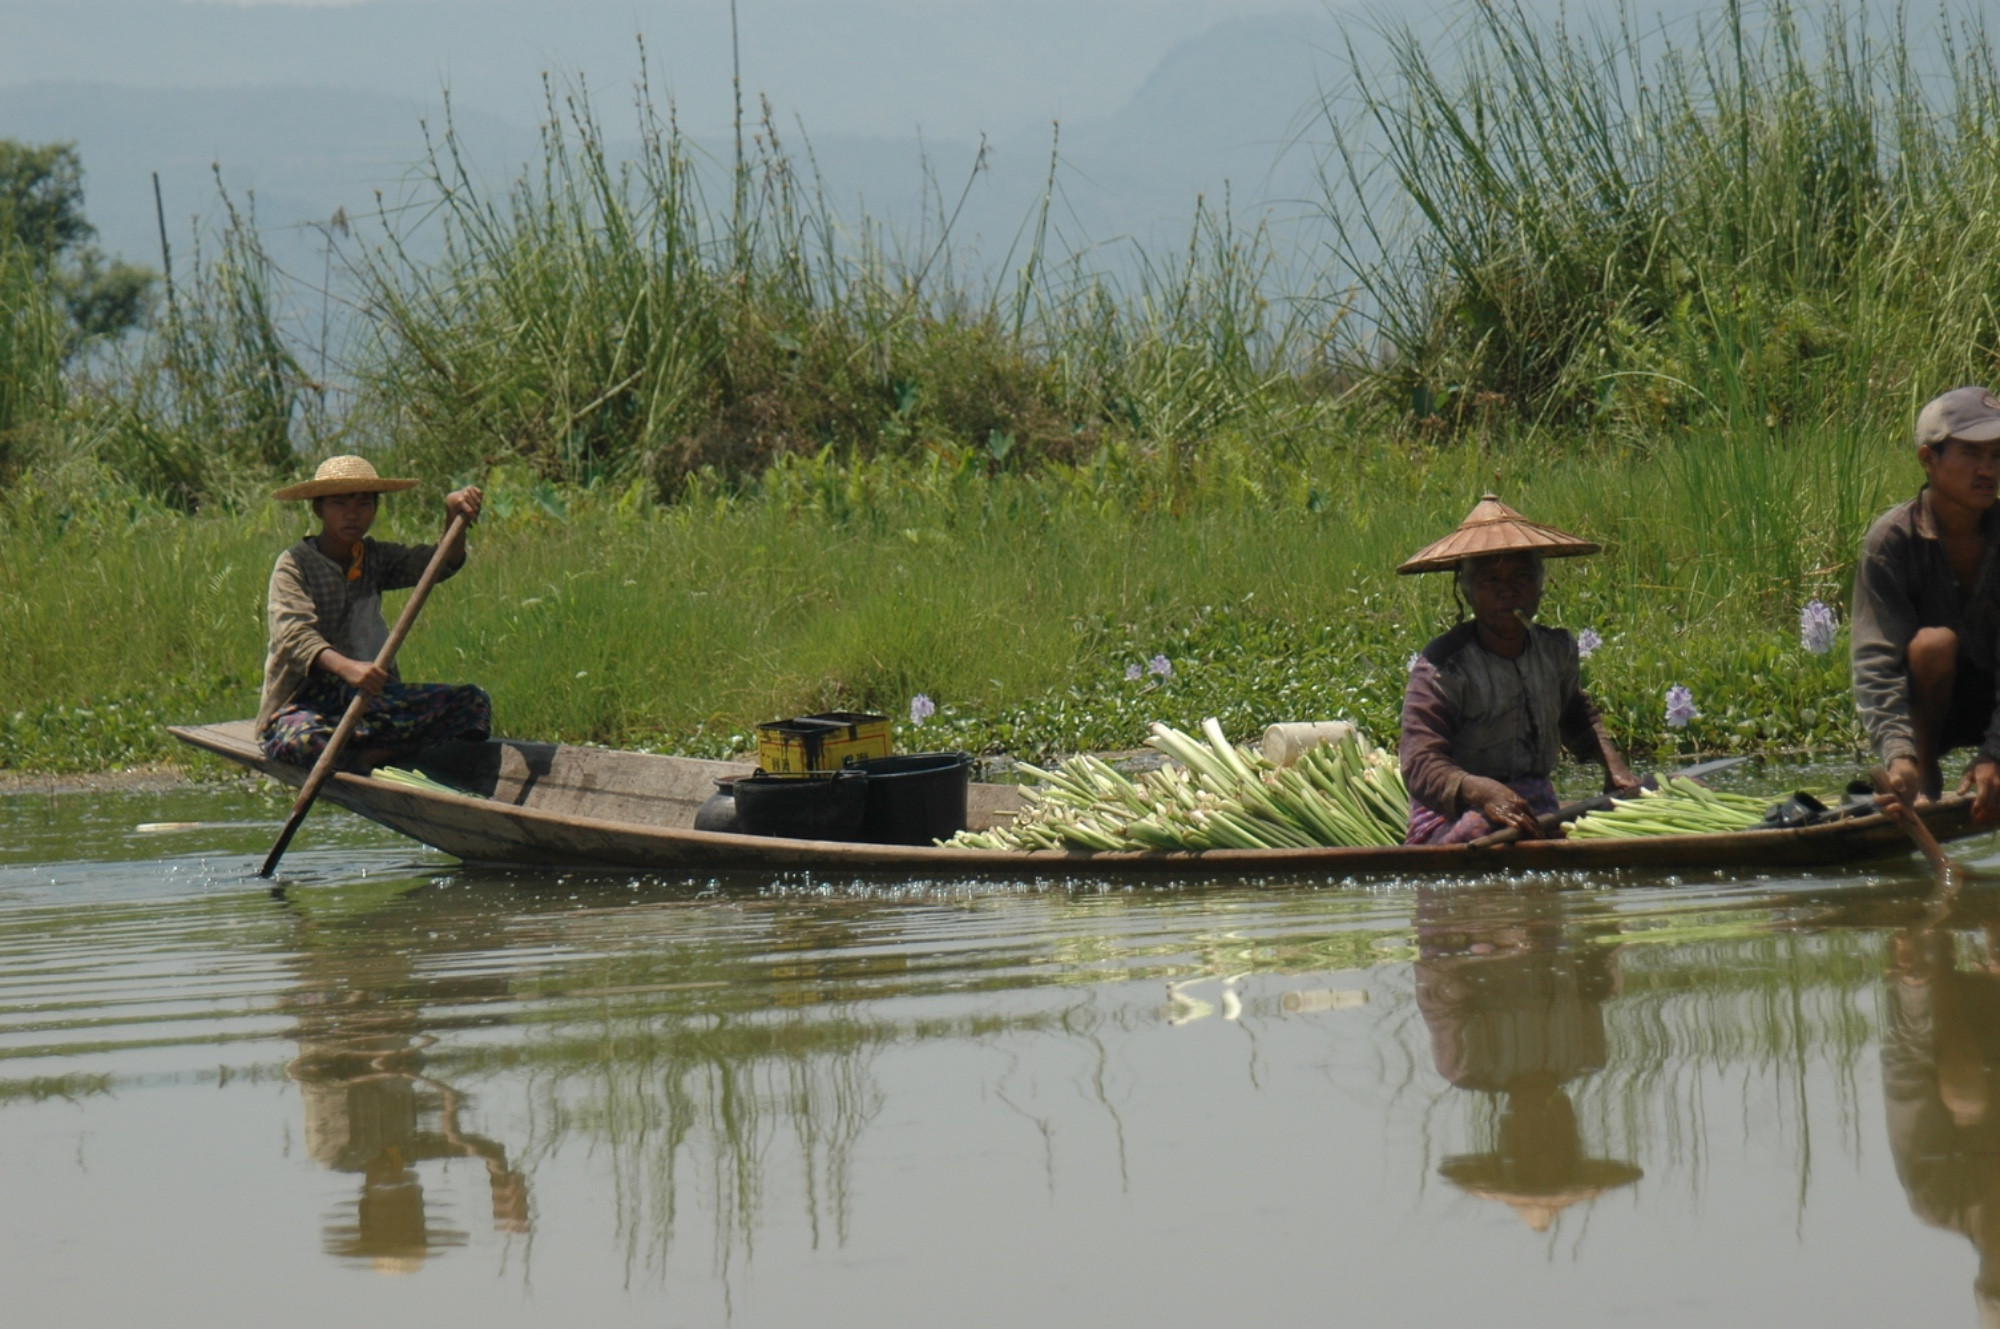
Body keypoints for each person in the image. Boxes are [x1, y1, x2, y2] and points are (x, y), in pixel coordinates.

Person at [1396, 495, 1637, 845]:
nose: (1507, 591)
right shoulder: (1444, 665)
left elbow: (1574, 713)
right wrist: (1478, 791)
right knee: (1484, 828)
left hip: (1533, 805)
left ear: (1539, 586)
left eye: (1521, 578)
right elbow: (1419, 763)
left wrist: (1612, 765)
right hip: (1455, 817)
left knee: (1656, 793)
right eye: (1491, 580)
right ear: (1468, 592)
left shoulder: (1555, 651)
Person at [256, 455, 490, 772]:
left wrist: (453, 516)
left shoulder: (375, 557)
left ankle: (376, 752)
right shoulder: (294, 565)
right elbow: (294, 636)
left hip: (370, 701)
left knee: (471, 704)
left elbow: (438, 565)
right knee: (303, 740)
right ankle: (377, 751)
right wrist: (349, 668)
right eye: (339, 504)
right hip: (307, 704)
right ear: (318, 509)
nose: (353, 514)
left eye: (364, 505)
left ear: (375, 509)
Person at [1854, 386, 2000, 822]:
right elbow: (1876, 662)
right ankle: (1924, 779)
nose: (1987, 470)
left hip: (1991, 697)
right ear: (1928, 460)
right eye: (1972, 454)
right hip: (1931, 704)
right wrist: (1898, 754)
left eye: (1996, 456)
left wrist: (1996, 752)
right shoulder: (1891, 542)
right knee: (1933, 645)